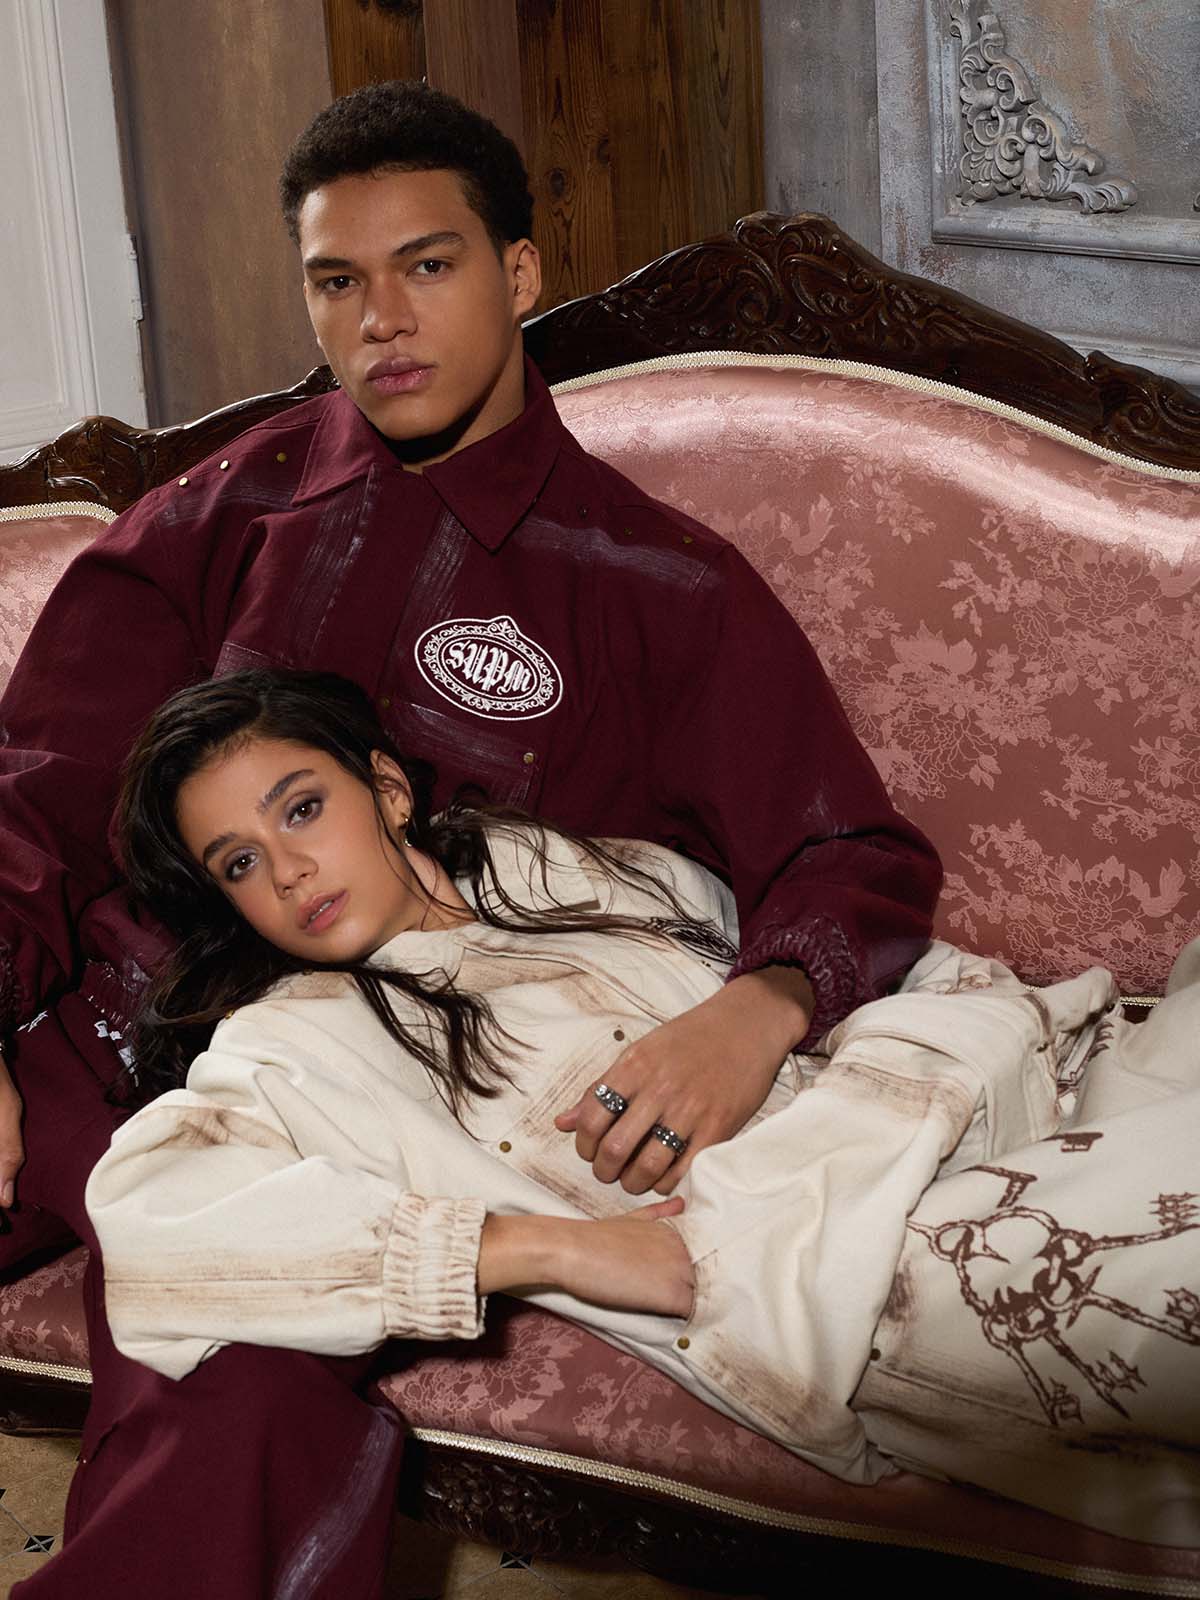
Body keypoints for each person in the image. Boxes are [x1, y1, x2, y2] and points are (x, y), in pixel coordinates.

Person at [2, 82, 940, 1596]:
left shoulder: (655, 582)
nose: (382, 319)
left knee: (230, 1380)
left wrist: (755, 1010)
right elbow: (37, 785)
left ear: (516, 272)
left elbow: (850, 854)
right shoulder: (226, 511)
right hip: (74, 1034)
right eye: (337, 281)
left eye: (427, 266)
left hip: (327, 1103)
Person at [87, 668, 1200, 1550]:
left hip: (993, 1090)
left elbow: (784, 958)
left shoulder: (540, 861)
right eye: (241, 862)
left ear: (386, 789)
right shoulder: (295, 1041)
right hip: (865, 1261)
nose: (288, 870)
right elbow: (151, 1218)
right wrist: (537, 1248)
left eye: (302, 809)